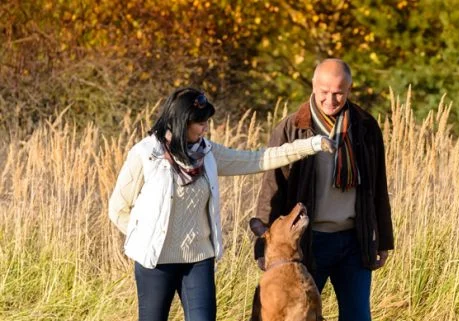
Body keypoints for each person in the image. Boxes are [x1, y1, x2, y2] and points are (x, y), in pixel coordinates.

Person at [108, 87, 334, 321]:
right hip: (155, 262)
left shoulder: (208, 153)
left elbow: (258, 158)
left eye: (207, 121)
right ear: (181, 121)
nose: (206, 127)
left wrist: (312, 145)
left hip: (198, 260)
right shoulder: (146, 154)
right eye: (200, 122)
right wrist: (145, 237)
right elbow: (118, 208)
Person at [252, 59, 394, 321]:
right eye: (324, 91)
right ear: (314, 87)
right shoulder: (292, 127)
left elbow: (378, 187)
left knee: (358, 317)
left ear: (349, 89)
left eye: (339, 92)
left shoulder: (365, 127)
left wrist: (383, 239)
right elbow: (272, 187)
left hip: (354, 240)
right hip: (307, 243)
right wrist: (263, 247)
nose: (331, 99)